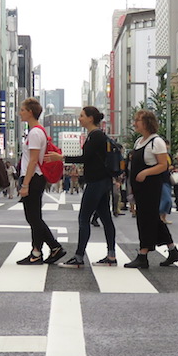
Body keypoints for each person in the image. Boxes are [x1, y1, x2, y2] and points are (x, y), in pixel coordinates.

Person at [45, 106, 118, 268]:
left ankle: (78, 257)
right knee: (106, 218)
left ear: (91, 118)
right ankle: (111, 255)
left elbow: (84, 158)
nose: (79, 118)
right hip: (103, 181)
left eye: (82, 116)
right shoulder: (97, 135)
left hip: (96, 182)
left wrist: (61, 157)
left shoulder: (95, 136)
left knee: (84, 218)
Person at [124, 109, 178, 268]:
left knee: (146, 220)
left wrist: (145, 172)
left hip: (151, 186)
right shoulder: (139, 141)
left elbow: (164, 165)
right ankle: (172, 250)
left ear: (147, 122)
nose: (135, 123)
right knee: (153, 219)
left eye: (138, 120)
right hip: (140, 187)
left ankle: (143, 255)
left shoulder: (156, 142)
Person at [13, 98, 66, 265]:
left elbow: (33, 160)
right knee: (34, 217)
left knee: (33, 217)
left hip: (34, 177)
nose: (19, 112)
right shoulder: (37, 131)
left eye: (22, 110)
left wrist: (25, 184)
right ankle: (41, 250)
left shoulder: (35, 132)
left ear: (30, 112)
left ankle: (47, 249)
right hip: (36, 177)